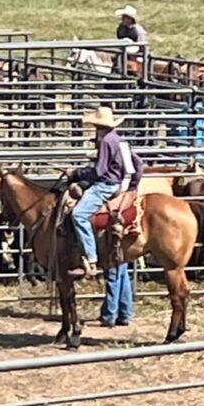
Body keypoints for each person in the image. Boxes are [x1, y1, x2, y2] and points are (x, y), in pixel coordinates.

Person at [67, 105, 143, 279]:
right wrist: (132, 186)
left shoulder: (106, 141)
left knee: (78, 215)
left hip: (106, 184)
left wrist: (76, 173)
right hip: (119, 183)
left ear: (98, 127)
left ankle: (91, 258)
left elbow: (100, 171)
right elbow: (138, 164)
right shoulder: (119, 139)